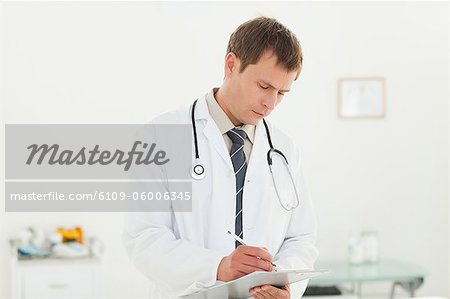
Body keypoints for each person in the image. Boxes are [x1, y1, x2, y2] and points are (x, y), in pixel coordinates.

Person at [123, 16, 318, 299]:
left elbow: (301, 238)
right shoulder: (160, 136)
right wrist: (218, 266)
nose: (271, 103)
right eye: (264, 87)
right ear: (231, 65)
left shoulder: (285, 149)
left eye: (282, 93)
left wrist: (284, 283)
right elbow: (143, 238)